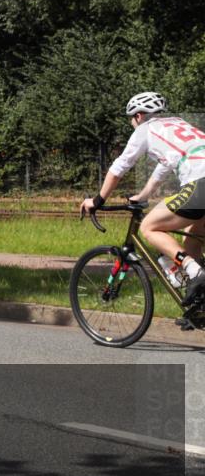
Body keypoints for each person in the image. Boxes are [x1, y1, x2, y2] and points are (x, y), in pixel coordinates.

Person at [80, 92, 205, 312]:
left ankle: (192, 270)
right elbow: (165, 165)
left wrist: (97, 200)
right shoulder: (178, 123)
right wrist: (144, 195)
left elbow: (120, 166)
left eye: (132, 121)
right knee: (193, 236)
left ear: (138, 116)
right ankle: (198, 309)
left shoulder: (145, 129)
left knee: (149, 227)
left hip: (201, 182)